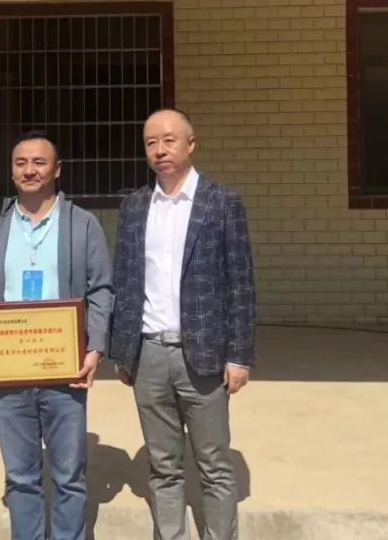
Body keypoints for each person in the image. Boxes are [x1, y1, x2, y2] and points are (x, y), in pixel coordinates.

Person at [109, 109, 256, 540]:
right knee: (164, 466)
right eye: (151, 142)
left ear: (191, 144)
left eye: (169, 140)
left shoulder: (221, 202)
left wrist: (239, 355)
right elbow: (125, 280)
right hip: (149, 354)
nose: (160, 149)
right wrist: (124, 351)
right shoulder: (135, 206)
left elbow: (240, 283)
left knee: (214, 465)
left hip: (204, 354)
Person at [0, 131, 114, 540]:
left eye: (39, 162)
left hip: (64, 370)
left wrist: (95, 348)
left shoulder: (82, 225)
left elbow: (102, 289)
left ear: (57, 169)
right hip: (8, 372)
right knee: (20, 477)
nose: (29, 170)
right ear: (12, 171)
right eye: (21, 163)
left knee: (69, 477)